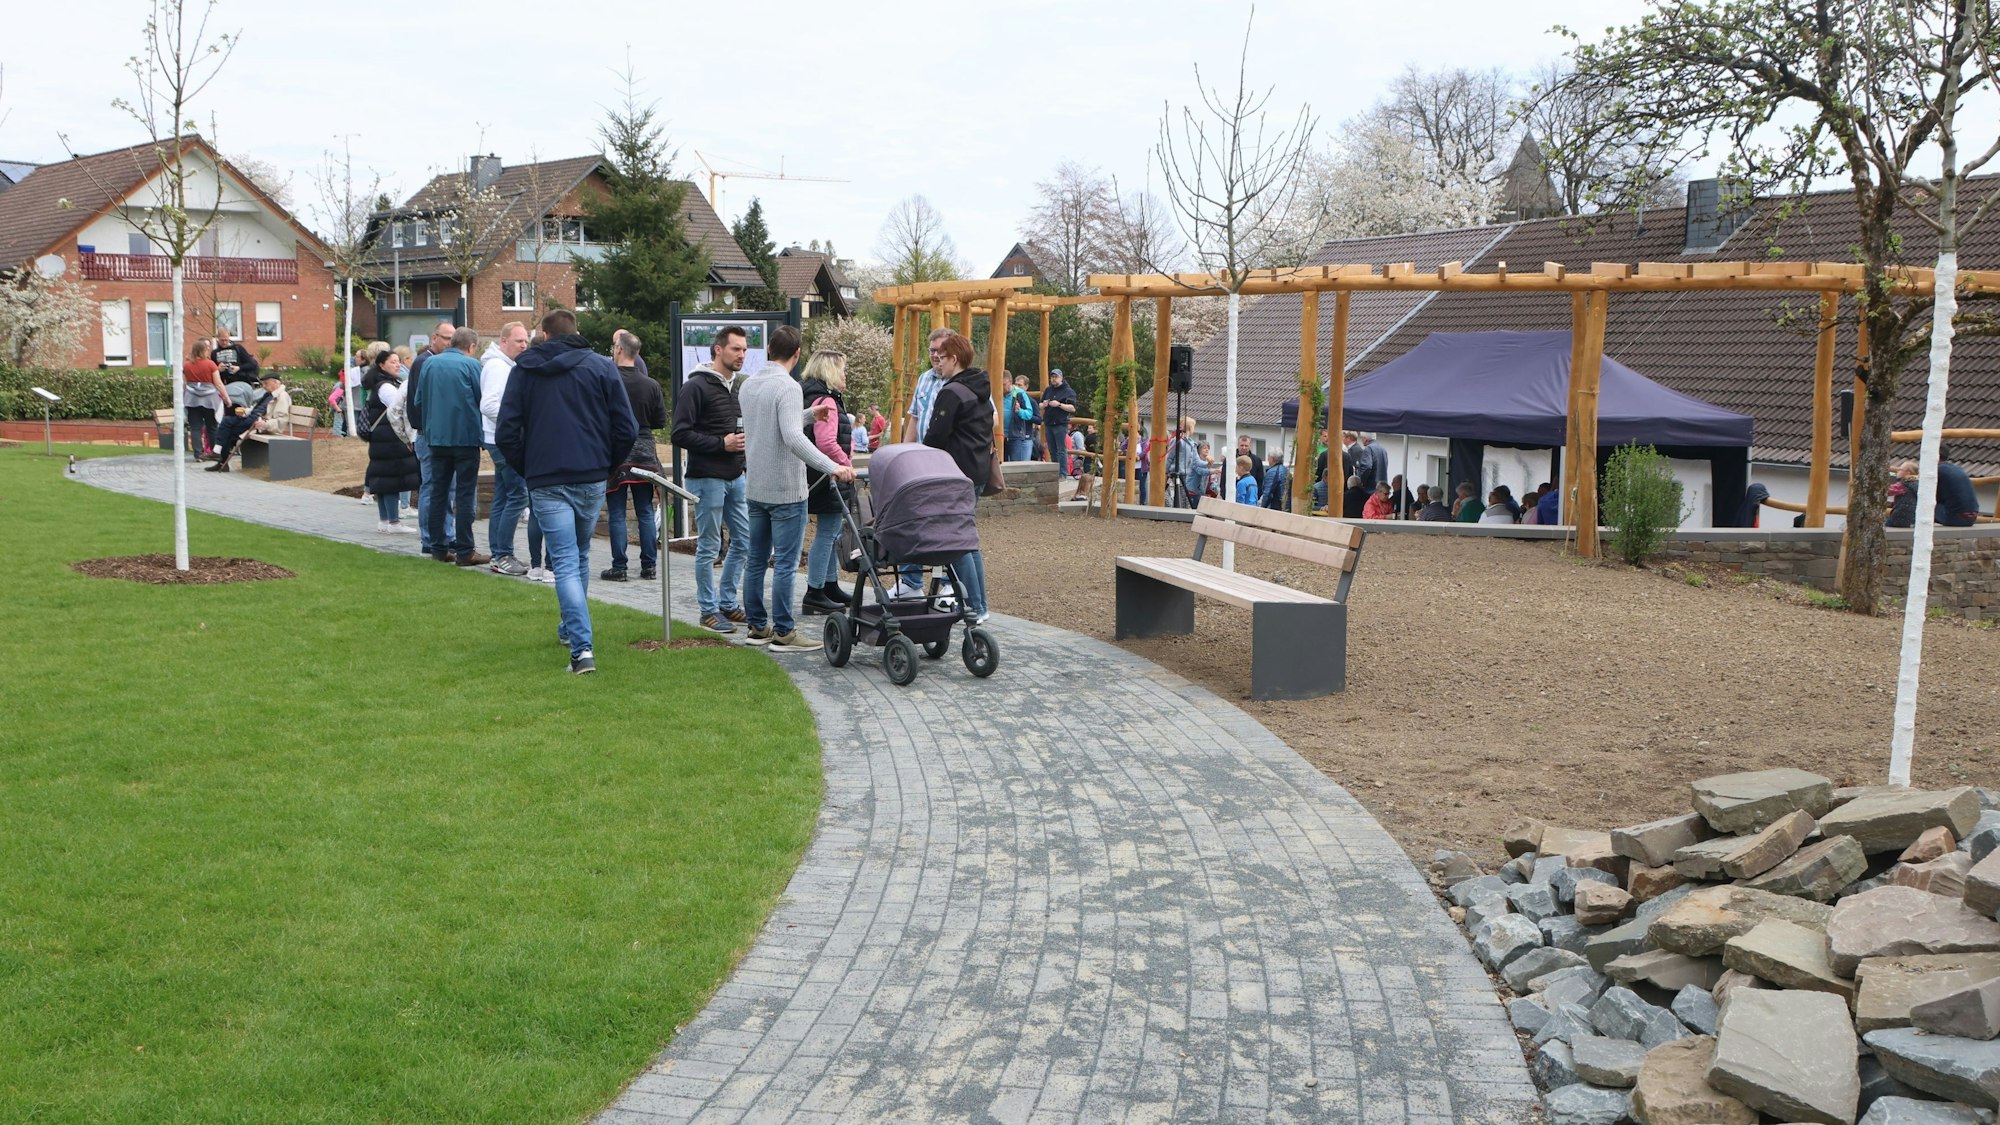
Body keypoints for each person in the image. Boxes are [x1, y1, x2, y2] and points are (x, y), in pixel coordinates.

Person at [496, 309, 638, 676]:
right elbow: (626, 427)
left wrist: (528, 468)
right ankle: (573, 634)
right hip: (587, 475)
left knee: (566, 561)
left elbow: (506, 432)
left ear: (544, 335)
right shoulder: (601, 367)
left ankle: (581, 649)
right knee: (575, 556)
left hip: (548, 478)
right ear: (576, 332)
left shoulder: (524, 370)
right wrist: (605, 464)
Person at [739, 324, 852, 649]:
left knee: (757, 560)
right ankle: (785, 632)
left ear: (769, 351)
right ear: (798, 353)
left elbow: (771, 425)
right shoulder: (786, 387)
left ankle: (757, 627)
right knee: (786, 564)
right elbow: (791, 438)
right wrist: (834, 467)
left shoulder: (749, 386)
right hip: (787, 490)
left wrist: (807, 414)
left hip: (756, 487)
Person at [673, 324, 752, 633]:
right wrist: (722, 444)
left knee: (743, 541)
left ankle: (728, 604)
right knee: (709, 545)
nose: (742, 355)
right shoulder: (696, 386)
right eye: (736, 349)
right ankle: (708, 610)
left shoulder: (737, 387)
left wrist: (739, 457)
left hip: (735, 477)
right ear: (718, 350)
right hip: (706, 478)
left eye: (745, 349)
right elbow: (679, 433)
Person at [920, 330, 993, 624]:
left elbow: (935, 436)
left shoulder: (951, 392)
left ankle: (973, 607)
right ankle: (981, 604)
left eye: (943, 356)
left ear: (954, 358)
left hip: (953, 474)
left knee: (955, 541)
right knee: (968, 540)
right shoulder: (981, 391)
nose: (939, 361)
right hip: (977, 472)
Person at [413, 327, 489, 567]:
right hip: (465, 438)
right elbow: (483, 400)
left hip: (436, 438)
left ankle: (438, 547)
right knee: (465, 494)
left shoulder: (430, 364)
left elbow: (418, 400)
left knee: (438, 492)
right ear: (471, 347)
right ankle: (465, 550)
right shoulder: (472, 366)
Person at [603, 330, 668, 582]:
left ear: (618, 349)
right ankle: (649, 566)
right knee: (644, 510)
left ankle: (619, 567)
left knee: (617, 512)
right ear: (637, 353)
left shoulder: (607, 381)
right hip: (644, 450)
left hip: (616, 450)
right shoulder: (650, 385)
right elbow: (660, 421)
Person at [800, 349, 856, 615]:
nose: (845, 374)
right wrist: (845, 463)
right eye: (842, 369)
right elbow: (826, 441)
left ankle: (829, 585)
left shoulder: (807, 393)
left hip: (813, 474)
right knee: (828, 533)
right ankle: (815, 591)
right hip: (829, 475)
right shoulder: (827, 400)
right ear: (830, 371)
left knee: (830, 532)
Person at [479, 322, 533, 576]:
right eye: (518, 341)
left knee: (504, 495)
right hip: (503, 440)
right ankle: (502, 554)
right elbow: (488, 404)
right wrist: (516, 421)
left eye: (525, 341)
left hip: (498, 438)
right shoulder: (498, 367)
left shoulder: (503, 365)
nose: (523, 345)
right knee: (518, 495)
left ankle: (498, 553)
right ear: (503, 342)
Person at [406, 321, 455, 557]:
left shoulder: (428, 361)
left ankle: (444, 535)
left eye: (452, 339)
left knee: (441, 487)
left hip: (433, 434)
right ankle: (430, 537)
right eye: (446, 338)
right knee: (433, 487)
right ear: (434, 337)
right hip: (429, 435)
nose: (449, 343)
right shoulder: (425, 362)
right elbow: (419, 403)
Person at [360, 350, 420, 536]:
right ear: (381, 365)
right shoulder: (386, 386)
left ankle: (385, 521)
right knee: (392, 480)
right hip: (390, 440)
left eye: (397, 361)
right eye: (392, 362)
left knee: (383, 480)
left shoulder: (382, 384)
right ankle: (393, 521)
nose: (397, 365)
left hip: (382, 439)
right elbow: (398, 408)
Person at [202, 375, 279, 471]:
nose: (264, 386)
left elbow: (281, 419)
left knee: (226, 423)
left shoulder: (281, 396)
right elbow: (256, 409)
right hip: (252, 419)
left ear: (276, 382)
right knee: (226, 430)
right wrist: (246, 411)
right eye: (263, 383)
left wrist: (266, 424)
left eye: (266, 383)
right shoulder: (268, 394)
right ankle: (221, 461)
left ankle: (218, 455)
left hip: (258, 423)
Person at [904, 328, 953, 448]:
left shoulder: (964, 380)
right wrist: (905, 450)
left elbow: (993, 418)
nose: (936, 355)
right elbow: (915, 418)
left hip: (951, 456)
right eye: (932, 350)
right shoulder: (923, 378)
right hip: (924, 454)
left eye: (940, 350)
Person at [181, 340, 226, 460]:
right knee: (212, 426)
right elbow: (218, 384)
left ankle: (198, 454)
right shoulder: (211, 364)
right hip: (209, 400)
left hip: (192, 400)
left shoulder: (186, 365)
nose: (208, 351)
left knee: (195, 427)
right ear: (203, 351)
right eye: (207, 349)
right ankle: (214, 453)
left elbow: (185, 384)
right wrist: (226, 398)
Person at [1041, 367, 1078, 472]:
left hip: (1060, 423)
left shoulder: (1068, 391)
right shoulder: (1048, 390)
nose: (1053, 379)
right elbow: (1040, 404)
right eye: (1052, 377)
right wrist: (1044, 404)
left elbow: (1072, 408)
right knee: (1052, 450)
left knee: (1061, 449)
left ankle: (1063, 472)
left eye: (1056, 377)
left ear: (1061, 378)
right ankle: (1055, 472)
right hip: (1049, 423)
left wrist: (1059, 404)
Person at [1937, 446, 1982, 527]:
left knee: (1922, 502)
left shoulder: (1937, 471)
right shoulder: (1957, 468)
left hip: (1955, 519)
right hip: (1972, 518)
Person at [1003, 372, 1037, 462]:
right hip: (1000, 435)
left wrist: (1020, 411)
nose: (1001, 387)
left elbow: (1029, 414)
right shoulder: (996, 392)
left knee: (1016, 465)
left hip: (1015, 435)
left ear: (1010, 382)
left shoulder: (1019, 393)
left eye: (1004, 384)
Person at [1887, 460, 1920, 528]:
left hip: (1900, 518)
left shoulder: (1903, 484)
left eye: (1900, 470)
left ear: (1908, 473)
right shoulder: (1917, 483)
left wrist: (1887, 469)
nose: (1897, 471)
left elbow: (1885, 491)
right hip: (1913, 519)